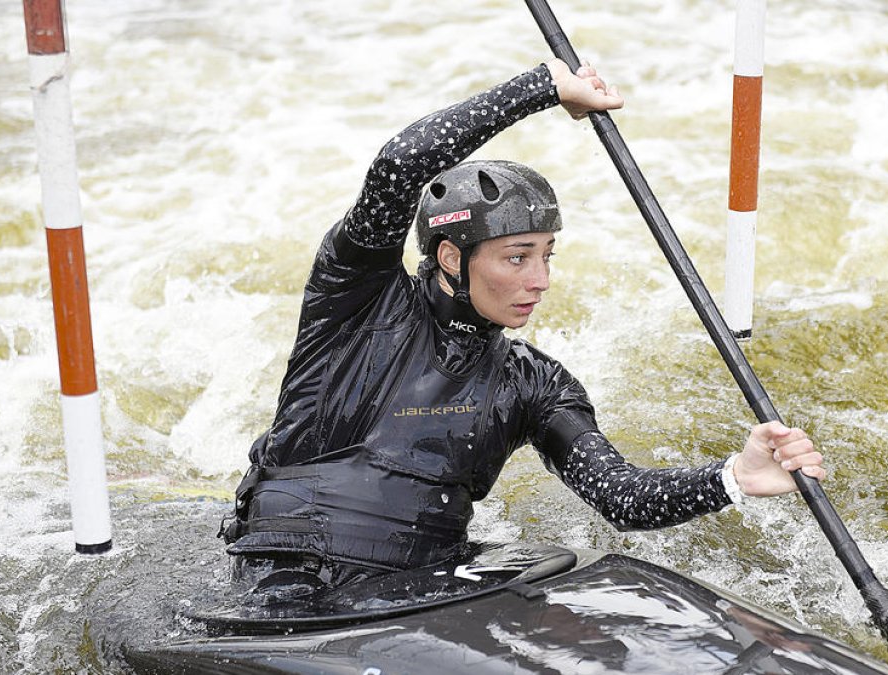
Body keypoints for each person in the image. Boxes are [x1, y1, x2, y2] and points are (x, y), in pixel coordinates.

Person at [220, 59, 825, 591]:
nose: (541, 280)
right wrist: (542, 88)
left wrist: (732, 478)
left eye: (547, 256)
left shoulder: (533, 383)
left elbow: (622, 496)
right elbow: (399, 167)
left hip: (427, 581)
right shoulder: (358, 300)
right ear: (454, 257)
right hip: (288, 573)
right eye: (518, 257)